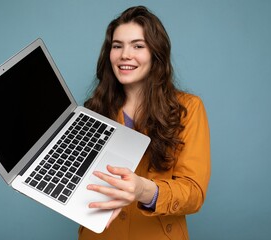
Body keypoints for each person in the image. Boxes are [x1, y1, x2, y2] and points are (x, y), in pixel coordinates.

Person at [78, 5, 210, 240]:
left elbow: (193, 192)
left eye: (138, 46)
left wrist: (143, 190)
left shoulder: (188, 108)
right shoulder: (94, 109)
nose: (124, 55)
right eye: (117, 46)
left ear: (155, 54)